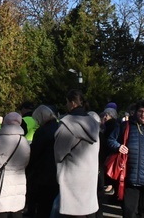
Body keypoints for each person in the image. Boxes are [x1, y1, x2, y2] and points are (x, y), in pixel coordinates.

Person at [54, 89, 100, 217]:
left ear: (73, 103)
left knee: (70, 213)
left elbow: (59, 154)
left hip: (72, 177)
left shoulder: (67, 124)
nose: (66, 105)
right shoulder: (94, 124)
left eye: (67, 102)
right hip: (89, 177)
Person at [0, 111, 30, 218]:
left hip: (0, 183)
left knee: (1, 212)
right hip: (19, 182)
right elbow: (26, 162)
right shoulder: (24, 141)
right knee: (16, 211)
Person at [25, 105, 59, 218]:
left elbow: (35, 153)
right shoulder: (59, 127)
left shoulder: (43, 131)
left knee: (41, 207)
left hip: (42, 173)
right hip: (57, 171)